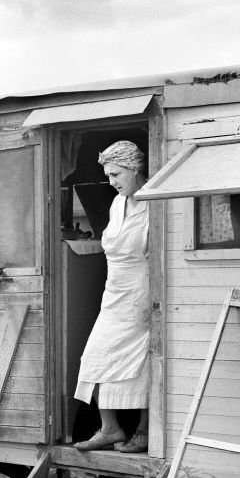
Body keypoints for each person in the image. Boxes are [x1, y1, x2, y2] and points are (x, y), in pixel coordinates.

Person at [73, 140, 151, 454]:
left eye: (116, 174)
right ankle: (111, 428)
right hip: (114, 292)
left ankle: (145, 430)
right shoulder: (118, 203)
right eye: (108, 175)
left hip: (140, 291)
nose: (112, 182)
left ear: (135, 169)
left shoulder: (153, 202)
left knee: (143, 359)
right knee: (96, 355)